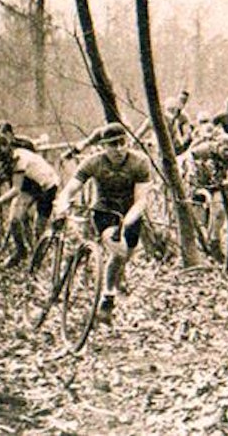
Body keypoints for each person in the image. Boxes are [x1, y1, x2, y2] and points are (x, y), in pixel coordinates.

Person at [52, 123, 153, 323]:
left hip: (130, 212)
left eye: (121, 143)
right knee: (118, 250)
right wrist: (63, 203)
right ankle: (107, 299)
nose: (118, 149)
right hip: (104, 211)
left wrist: (128, 221)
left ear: (128, 142)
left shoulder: (140, 162)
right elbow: (71, 188)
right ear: (103, 147)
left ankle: (113, 278)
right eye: (112, 145)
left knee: (125, 255)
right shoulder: (93, 162)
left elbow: (141, 200)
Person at [0, 132, 61, 266]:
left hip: (47, 186)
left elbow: (15, 189)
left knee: (39, 228)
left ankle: (38, 260)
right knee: (14, 220)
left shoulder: (19, 158)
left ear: (5, 147)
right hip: (28, 186)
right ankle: (20, 251)